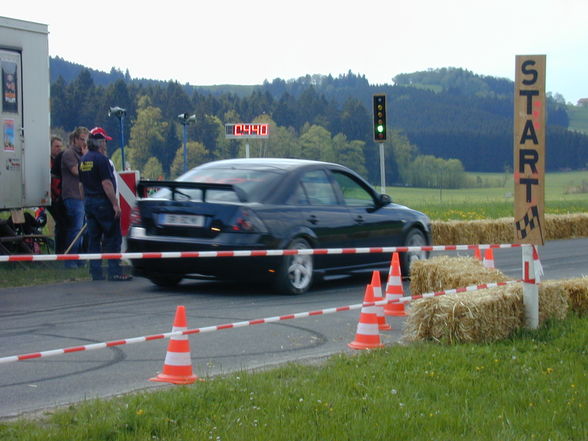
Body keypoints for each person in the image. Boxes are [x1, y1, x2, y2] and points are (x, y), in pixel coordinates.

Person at [79, 127, 132, 281]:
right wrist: (115, 204)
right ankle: (114, 271)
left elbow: (81, 185)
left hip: (89, 202)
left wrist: (85, 202)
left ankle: (96, 272)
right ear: (100, 143)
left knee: (94, 239)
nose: (105, 145)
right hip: (103, 202)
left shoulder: (83, 160)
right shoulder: (102, 160)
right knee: (112, 237)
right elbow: (107, 184)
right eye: (104, 142)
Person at [61, 127, 88, 266]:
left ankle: (78, 259)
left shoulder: (82, 154)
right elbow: (77, 171)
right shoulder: (69, 153)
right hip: (72, 195)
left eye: (86, 140)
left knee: (83, 230)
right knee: (76, 228)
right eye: (82, 139)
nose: (84, 143)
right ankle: (70, 260)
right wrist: (85, 158)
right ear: (75, 139)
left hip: (82, 196)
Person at [48, 135, 67, 254]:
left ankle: (61, 250)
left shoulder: (61, 161)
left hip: (60, 196)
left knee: (62, 224)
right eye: (56, 146)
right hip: (53, 198)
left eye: (60, 146)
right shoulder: (48, 162)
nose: (59, 149)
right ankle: (60, 251)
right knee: (61, 223)